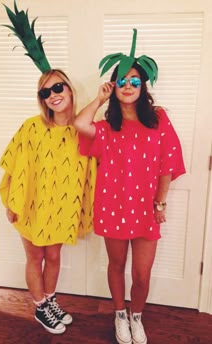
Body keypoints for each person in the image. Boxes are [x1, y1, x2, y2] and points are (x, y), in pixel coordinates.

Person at [74, 29, 185, 344]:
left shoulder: (159, 120)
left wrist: (160, 204)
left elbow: (168, 163)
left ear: (143, 86)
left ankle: (137, 316)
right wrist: (99, 97)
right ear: (114, 85)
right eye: (121, 80)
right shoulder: (107, 128)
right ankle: (119, 314)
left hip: (146, 211)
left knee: (141, 274)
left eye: (134, 80)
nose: (127, 85)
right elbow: (80, 125)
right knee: (117, 265)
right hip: (112, 207)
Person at [0, 2, 95, 336]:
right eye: (46, 91)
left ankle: (50, 299)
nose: (53, 94)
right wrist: (11, 203)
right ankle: (40, 307)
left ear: (69, 89)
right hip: (30, 205)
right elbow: (13, 166)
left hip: (61, 207)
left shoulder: (81, 129)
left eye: (58, 87)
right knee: (35, 258)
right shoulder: (31, 127)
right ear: (41, 98)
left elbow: (93, 168)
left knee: (54, 258)